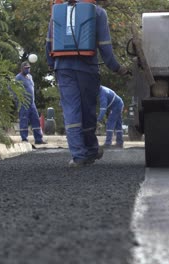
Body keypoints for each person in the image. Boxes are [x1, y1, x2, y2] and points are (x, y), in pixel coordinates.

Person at [45, 0, 128, 168]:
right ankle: (90, 149)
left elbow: (49, 42)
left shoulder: (58, 11)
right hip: (87, 69)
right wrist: (117, 68)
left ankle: (78, 155)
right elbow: (105, 45)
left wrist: (52, 64)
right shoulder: (97, 12)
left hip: (63, 68)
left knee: (71, 111)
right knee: (87, 110)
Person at [15, 61, 47, 145]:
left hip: (32, 103)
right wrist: (18, 100)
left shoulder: (30, 77)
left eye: (29, 68)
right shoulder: (18, 78)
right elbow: (12, 89)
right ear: (22, 68)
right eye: (26, 68)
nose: (27, 69)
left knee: (36, 120)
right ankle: (24, 139)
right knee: (24, 120)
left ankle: (38, 139)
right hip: (23, 103)